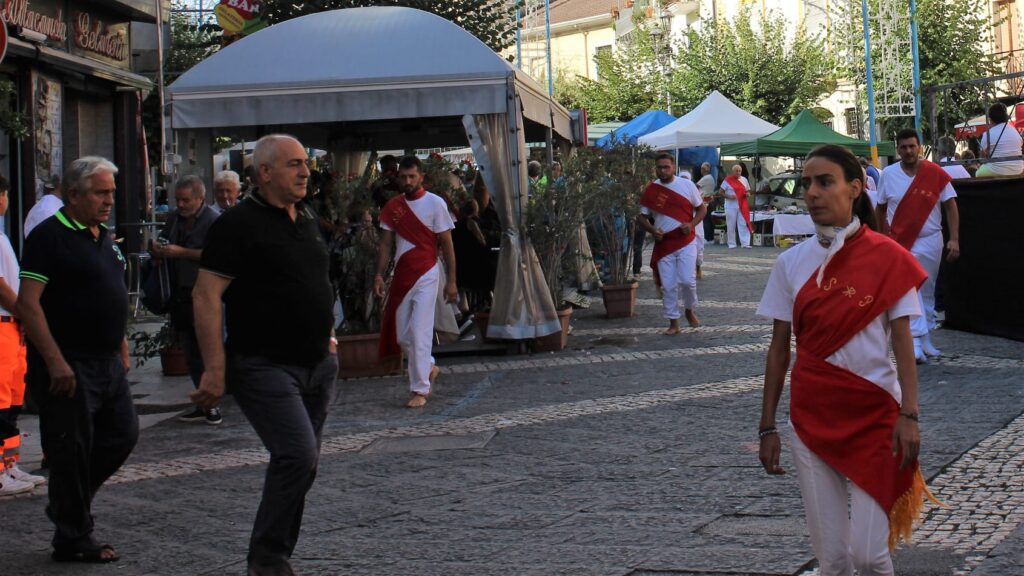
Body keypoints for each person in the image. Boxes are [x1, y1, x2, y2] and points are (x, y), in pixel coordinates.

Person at [758, 144, 933, 575]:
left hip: (877, 418)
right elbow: (779, 348)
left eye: (824, 182)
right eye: (806, 184)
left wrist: (909, 413)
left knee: (869, 556)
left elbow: (903, 340)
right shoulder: (790, 263)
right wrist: (767, 426)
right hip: (812, 418)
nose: (812, 193)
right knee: (833, 560)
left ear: (855, 188)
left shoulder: (889, 257)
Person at [191, 134, 337, 576]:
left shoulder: (306, 216)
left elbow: (315, 281)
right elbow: (205, 295)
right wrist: (215, 369)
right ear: (265, 172)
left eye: (304, 165)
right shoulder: (237, 225)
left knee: (301, 463)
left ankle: (274, 554)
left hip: (317, 364)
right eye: (294, 165)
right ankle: (267, 559)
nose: (304, 172)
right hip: (263, 365)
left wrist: (329, 335)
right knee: (297, 455)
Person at [17, 156, 137, 563]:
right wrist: (55, 361)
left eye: (111, 193)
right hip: (70, 362)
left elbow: (112, 294)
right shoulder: (49, 237)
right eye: (101, 193)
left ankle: (69, 506)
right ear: (73, 195)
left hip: (106, 361)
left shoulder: (102, 236)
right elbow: (28, 305)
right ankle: (73, 538)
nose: (109, 201)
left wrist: (121, 345)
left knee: (122, 435)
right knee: (71, 449)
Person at [374, 155, 457, 408]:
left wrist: (452, 280)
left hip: (427, 272)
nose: (408, 181)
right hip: (401, 274)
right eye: (403, 177)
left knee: (420, 330)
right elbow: (386, 244)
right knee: (402, 335)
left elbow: (447, 243)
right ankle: (428, 367)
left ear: (421, 177)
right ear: (398, 178)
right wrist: (378, 274)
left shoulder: (436, 203)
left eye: (412, 176)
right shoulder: (393, 207)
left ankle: (420, 388)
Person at [875, 128, 960, 363]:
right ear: (898, 149)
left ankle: (925, 338)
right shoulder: (888, 175)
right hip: (900, 242)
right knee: (907, 289)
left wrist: (954, 238)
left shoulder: (934, 172)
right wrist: (881, 239)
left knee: (927, 289)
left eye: (912, 146)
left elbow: (951, 205)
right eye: (903, 147)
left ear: (919, 148)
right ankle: (912, 340)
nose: (908, 151)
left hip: (931, 239)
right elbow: (880, 209)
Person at [152, 176, 220, 424]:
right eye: (177, 200)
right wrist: (158, 248)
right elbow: (163, 239)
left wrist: (180, 252)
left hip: (206, 291)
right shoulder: (174, 218)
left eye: (186, 200)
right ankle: (203, 403)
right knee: (189, 349)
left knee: (207, 347)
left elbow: (217, 255)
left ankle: (213, 403)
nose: (180, 205)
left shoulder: (213, 221)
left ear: (200, 198)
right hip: (181, 292)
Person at [0, 175, 46, 496]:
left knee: (13, 401)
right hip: (4, 323)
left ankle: (9, 466)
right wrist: (24, 311)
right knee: (1, 402)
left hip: (11, 327)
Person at [635, 153, 706, 335]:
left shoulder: (687, 185)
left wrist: (691, 224)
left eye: (666, 167)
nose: (663, 170)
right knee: (668, 285)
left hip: (685, 240)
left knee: (687, 280)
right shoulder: (651, 190)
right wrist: (652, 231)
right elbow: (641, 217)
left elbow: (702, 208)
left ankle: (690, 310)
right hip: (664, 243)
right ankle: (673, 322)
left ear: (673, 167)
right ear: (655, 168)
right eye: (660, 167)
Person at [976, 102, 1024, 177]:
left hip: (996, 170)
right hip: (1018, 169)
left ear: (990, 119)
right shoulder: (1015, 131)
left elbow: (983, 157)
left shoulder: (988, 134)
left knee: (978, 173)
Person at [720, 164, 753, 249]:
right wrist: (729, 197)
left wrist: (748, 194)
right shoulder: (727, 180)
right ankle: (731, 244)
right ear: (733, 171)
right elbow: (721, 192)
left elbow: (748, 190)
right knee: (731, 225)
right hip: (730, 206)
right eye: (736, 171)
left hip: (742, 205)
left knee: (743, 224)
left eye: (739, 171)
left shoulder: (744, 180)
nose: (738, 172)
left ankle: (745, 243)